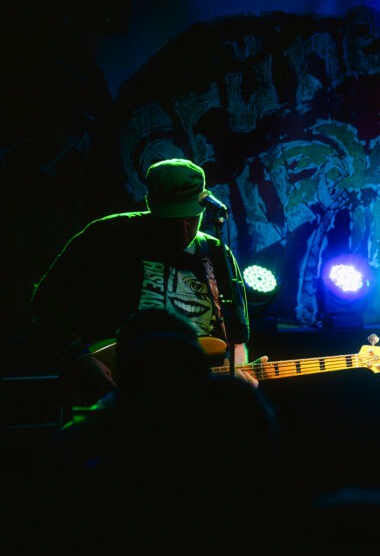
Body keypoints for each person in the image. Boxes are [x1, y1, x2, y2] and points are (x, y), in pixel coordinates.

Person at [29, 157, 263, 410]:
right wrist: (79, 356)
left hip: (189, 409)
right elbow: (47, 300)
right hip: (117, 400)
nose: (183, 229)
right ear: (151, 204)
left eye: (190, 219)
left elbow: (236, 337)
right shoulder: (109, 236)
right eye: (172, 220)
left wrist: (236, 372)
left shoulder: (217, 253)